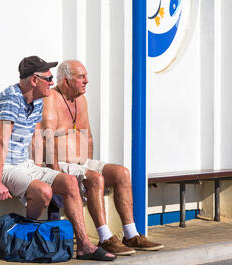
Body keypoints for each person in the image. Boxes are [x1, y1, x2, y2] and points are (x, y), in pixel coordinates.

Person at [0, 56, 115, 261]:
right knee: (43, 191)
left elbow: (36, 139)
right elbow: (2, 142)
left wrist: (41, 172)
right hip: (1, 166)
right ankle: (25, 240)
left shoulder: (37, 102)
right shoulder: (12, 98)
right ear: (34, 80)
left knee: (69, 181)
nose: (52, 83)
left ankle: (84, 245)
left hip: (22, 164)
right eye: (48, 78)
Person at [41, 60, 164, 255]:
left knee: (122, 173)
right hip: (61, 165)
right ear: (66, 81)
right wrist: (55, 173)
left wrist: (88, 162)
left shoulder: (80, 100)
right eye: (81, 77)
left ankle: (131, 234)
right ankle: (105, 237)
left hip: (81, 162)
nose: (86, 81)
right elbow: (47, 136)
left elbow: (87, 135)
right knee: (95, 178)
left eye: (86, 77)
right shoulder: (51, 99)